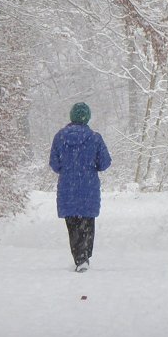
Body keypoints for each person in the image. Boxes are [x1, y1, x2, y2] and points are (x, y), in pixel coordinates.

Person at [49, 101, 111, 272]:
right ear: (87, 117)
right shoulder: (95, 138)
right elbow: (105, 163)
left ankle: (79, 257)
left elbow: (54, 165)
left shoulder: (60, 137)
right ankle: (84, 257)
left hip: (67, 189)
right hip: (88, 189)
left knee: (73, 226)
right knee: (87, 225)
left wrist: (68, 167)